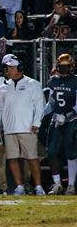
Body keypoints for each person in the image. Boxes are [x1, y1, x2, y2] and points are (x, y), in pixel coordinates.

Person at [0, 54, 45, 196]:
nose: (8, 70)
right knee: (12, 159)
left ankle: (38, 186)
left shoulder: (33, 84)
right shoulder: (3, 87)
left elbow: (40, 106)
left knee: (32, 158)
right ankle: (19, 186)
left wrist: (36, 123)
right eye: (8, 67)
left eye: (11, 67)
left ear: (18, 68)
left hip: (28, 128)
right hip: (9, 129)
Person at [45, 54, 77, 195]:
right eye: (61, 67)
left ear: (71, 66)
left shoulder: (75, 81)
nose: (64, 70)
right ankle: (57, 183)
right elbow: (51, 102)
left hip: (72, 120)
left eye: (66, 67)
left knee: (71, 153)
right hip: (57, 120)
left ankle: (71, 185)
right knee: (51, 151)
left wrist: (68, 115)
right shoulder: (53, 81)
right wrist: (41, 115)